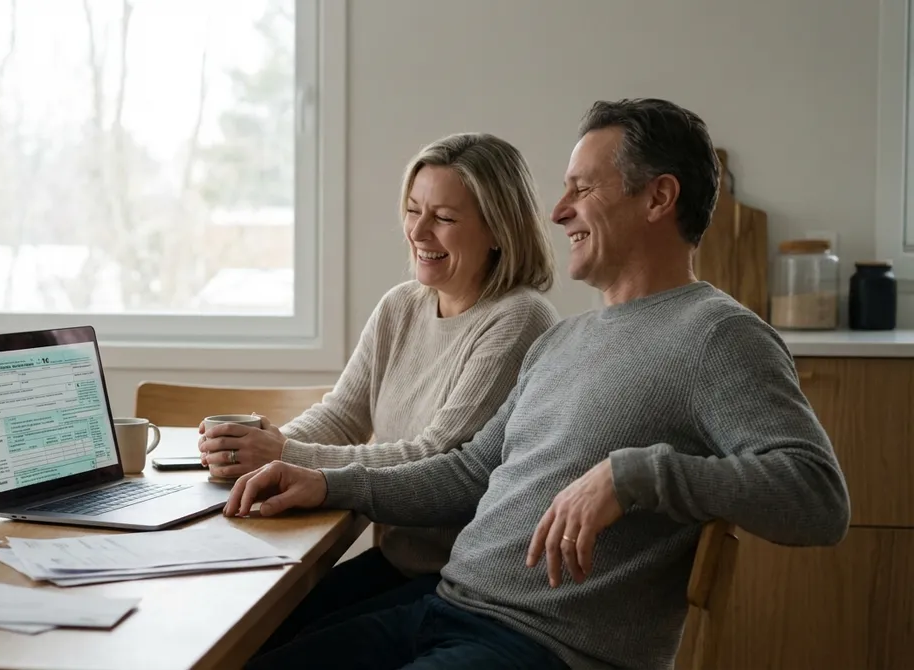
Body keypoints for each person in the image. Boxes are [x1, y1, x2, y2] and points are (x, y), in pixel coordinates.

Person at [222, 98, 852, 670]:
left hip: (545, 646)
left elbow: (819, 498)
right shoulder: (563, 340)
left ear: (658, 198)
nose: (557, 211)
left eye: (582, 189)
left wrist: (632, 475)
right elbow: (470, 473)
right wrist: (326, 480)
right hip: (447, 607)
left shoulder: (718, 335)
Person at [198, 132, 560, 650]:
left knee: (264, 644)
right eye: (413, 210)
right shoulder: (402, 305)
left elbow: (438, 456)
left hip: (458, 582)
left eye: (444, 217)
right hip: (397, 560)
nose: (418, 230)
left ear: (498, 229)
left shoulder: (519, 318)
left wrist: (287, 454)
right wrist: (260, 449)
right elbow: (343, 414)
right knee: (242, 632)